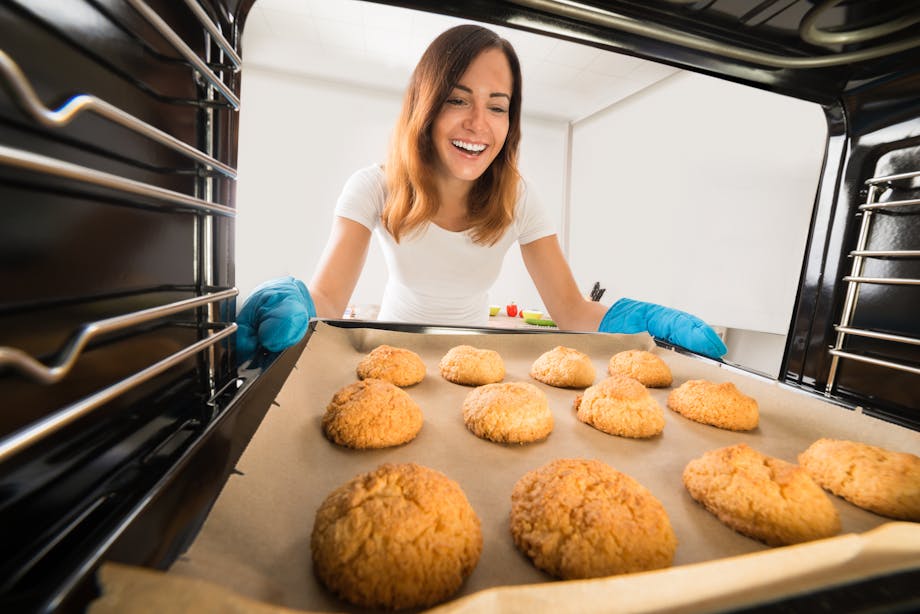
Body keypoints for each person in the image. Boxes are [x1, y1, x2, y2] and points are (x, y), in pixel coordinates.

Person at [237, 25, 726, 363]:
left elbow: (571, 310)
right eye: (457, 100)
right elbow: (329, 299)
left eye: (498, 106)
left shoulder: (519, 198)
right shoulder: (374, 185)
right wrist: (294, 299)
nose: (478, 124)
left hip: (476, 360)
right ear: (425, 107)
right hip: (387, 352)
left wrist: (641, 319)